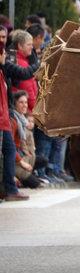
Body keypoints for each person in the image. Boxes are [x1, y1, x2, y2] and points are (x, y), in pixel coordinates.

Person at [0, 48, 29, 200]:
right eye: (2, 53)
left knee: (9, 152)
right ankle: (9, 189)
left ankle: (9, 189)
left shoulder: (2, 71)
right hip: (1, 121)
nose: (5, 55)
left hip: (4, 120)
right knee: (8, 153)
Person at [10, 91, 45, 188]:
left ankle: (23, 176)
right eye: (21, 102)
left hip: (23, 156)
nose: (24, 105)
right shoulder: (13, 120)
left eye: (26, 102)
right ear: (15, 103)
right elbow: (10, 147)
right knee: (36, 184)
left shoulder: (24, 120)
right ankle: (16, 176)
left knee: (43, 160)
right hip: (14, 159)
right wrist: (22, 163)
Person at [8, 30, 38, 111]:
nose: (32, 47)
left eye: (32, 44)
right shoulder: (21, 64)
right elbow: (27, 89)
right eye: (29, 44)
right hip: (28, 111)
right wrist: (37, 109)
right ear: (20, 46)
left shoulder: (22, 61)